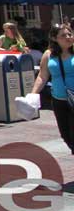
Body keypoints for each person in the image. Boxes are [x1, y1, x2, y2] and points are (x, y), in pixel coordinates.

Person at [31, 22, 74, 153]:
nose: (68, 37)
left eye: (70, 34)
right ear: (55, 38)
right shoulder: (48, 55)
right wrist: (33, 94)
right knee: (65, 134)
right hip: (58, 100)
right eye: (63, 35)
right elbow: (42, 76)